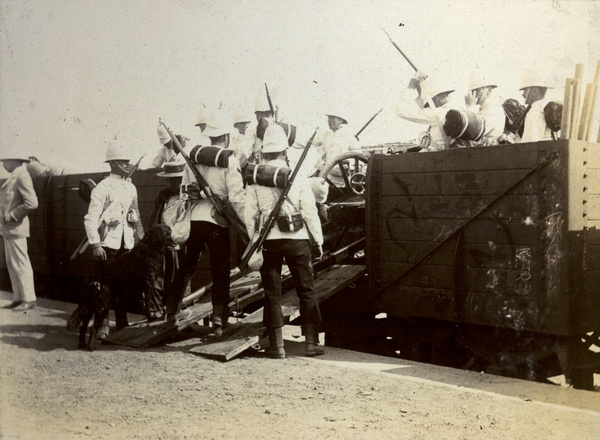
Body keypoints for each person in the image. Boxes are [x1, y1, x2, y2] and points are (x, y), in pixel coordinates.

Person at [245, 124, 324, 359]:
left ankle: (277, 347)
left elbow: (250, 215)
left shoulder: (255, 177)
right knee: (306, 290)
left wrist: (255, 241)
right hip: (298, 239)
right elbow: (309, 211)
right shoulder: (296, 174)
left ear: (265, 151)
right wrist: (317, 240)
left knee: (272, 293)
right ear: (284, 150)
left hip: (269, 241)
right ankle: (311, 343)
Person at [164, 114, 246, 338]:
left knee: (187, 266)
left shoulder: (193, 157)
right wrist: (247, 223)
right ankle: (220, 323)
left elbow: (184, 189)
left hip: (195, 219)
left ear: (210, 136)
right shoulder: (230, 159)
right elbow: (237, 197)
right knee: (221, 272)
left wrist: (199, 194)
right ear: (227, 136)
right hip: (216, 221)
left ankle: (170, 313)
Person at [83, 140, 145, 336]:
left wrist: (139, 241)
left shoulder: (131, 188)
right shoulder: (102, 188)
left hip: (126, 244)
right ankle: (102, 325)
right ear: (112, 164)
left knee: (123, 285)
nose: (128, 164)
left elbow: (136, 215)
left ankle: (122, 323)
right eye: (123, 161)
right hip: (107, 244)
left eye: (128, 161)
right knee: (104, 287)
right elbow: (91, 218)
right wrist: (95, 244)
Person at [148, 159, 188, 319]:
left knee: (181, 279)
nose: (170, 183)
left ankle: (180, 313)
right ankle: (155, 312)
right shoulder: (163, 196)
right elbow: (153, 218)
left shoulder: (188, 195)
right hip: (162, 244)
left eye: (175, 179)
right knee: (157, 278)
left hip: (181, 244)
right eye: (168, 179)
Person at [0, 151, 39, 311]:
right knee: (12, 264)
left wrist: (13, 215)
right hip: (9, 229)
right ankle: (18, 298)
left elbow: (32, 202)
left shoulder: (22, 176)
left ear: (15, 161)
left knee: (21, 263)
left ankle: (29, 299)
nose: (3, 164)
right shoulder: (15, 176)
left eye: (5, 161)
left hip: (16, 227)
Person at [396, 71, 455, 151]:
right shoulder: (452, 110)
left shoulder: (437, 114)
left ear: (436, 100)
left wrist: (411, 87)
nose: (429, 107)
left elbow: (400, 110)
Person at [464, 71, 505, 146]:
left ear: (489, 90)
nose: (474, 94)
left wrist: (471, 107)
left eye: (478, 90)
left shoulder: (493, 109)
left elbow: (472, 132)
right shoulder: (483, 108)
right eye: (472, 91)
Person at [519, 69, 554, 143]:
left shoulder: (534, 112)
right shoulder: (544, 109)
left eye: (525, 90)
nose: (523, 95)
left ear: (534, 90)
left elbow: (528, 144)